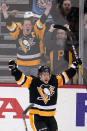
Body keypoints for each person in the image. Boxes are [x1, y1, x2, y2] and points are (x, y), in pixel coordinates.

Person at [8, 58, 82, 131]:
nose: (46, 76)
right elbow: (21, 79)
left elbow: (66, 75)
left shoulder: (55, 80)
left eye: (48, 74)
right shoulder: (32, 81)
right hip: (37, 117)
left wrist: (74, 65)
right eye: (44, 75)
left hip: (51, 117)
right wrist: (14, 70)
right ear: (39, 75)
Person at [1, 2, 52, 76]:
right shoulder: (18, 30)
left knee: (36, 84)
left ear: (32, 24)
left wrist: (47, 10)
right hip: (22, 66)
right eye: (26, 24)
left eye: (30, 23)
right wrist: (5, 12)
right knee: (22, 85)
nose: (27, 26)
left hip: (36, 64)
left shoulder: (36, 29)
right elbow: (9, 23)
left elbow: (42, 20)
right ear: (22, 26)